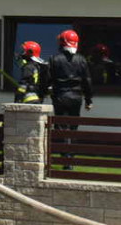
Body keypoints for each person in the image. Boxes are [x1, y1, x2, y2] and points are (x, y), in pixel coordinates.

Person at [48, 29, 93, 170]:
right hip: (76, 97)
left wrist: (46, 92)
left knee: (61, 127)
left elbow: (48, 79)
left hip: (60, 96)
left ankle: (65, 159)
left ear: (62, 42)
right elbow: (87, 80)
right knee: (73, 127)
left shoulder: (54, 59)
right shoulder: (81, 59)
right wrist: (89, 99)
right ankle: (70, 159)